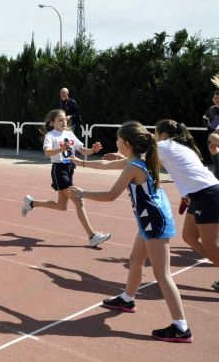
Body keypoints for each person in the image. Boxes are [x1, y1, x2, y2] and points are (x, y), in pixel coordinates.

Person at [69, 121, 192, 343]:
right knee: (135, 260)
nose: (115, 143)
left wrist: (83, 194)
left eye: (118, 140)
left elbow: (110, 195)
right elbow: (107, 166)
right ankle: (127, 299)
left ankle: (181, 326)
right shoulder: (139, 160)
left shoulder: (133, 166)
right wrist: (81, 163)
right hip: (150, 220)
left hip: (154, 222)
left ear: (126, 144)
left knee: (162, 274)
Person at [104, 119, 219, 293]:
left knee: (211, 246)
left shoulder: (163, 146)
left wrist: (121, 155)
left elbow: (136, 158)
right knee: (189, 236)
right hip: (199, 194)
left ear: (163, 135)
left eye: (156, 134)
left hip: (206, 195)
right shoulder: (175, 146)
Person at [21, 109, 110, 247]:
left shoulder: (70, 134)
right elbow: (47, 152)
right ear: (52, 123)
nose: (64, 122)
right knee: (78, 200)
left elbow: (82, 150)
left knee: (61, 206)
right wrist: (61, 150)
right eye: (60, 120)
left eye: (65, 119)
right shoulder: (51, 135)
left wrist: (93, 150)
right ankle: (92, 236)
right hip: (59, 171)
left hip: (70, 170)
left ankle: (31, 203)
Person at [203, 90, 219, 178]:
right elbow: (204, 119)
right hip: (212, 139)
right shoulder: (211, 109)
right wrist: (210, 127)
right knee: (216, 162)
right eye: (215, 98)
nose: (217, 100)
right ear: (213, 99)